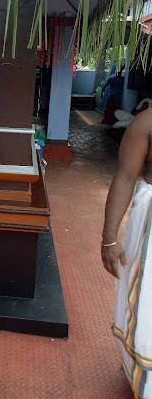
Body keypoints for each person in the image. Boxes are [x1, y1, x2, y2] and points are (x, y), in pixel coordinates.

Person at [101, 107, 152, 398]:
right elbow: (124, 178)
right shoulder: (147, 121)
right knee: (148, 301)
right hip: (150, 229)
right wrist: (109, 239)